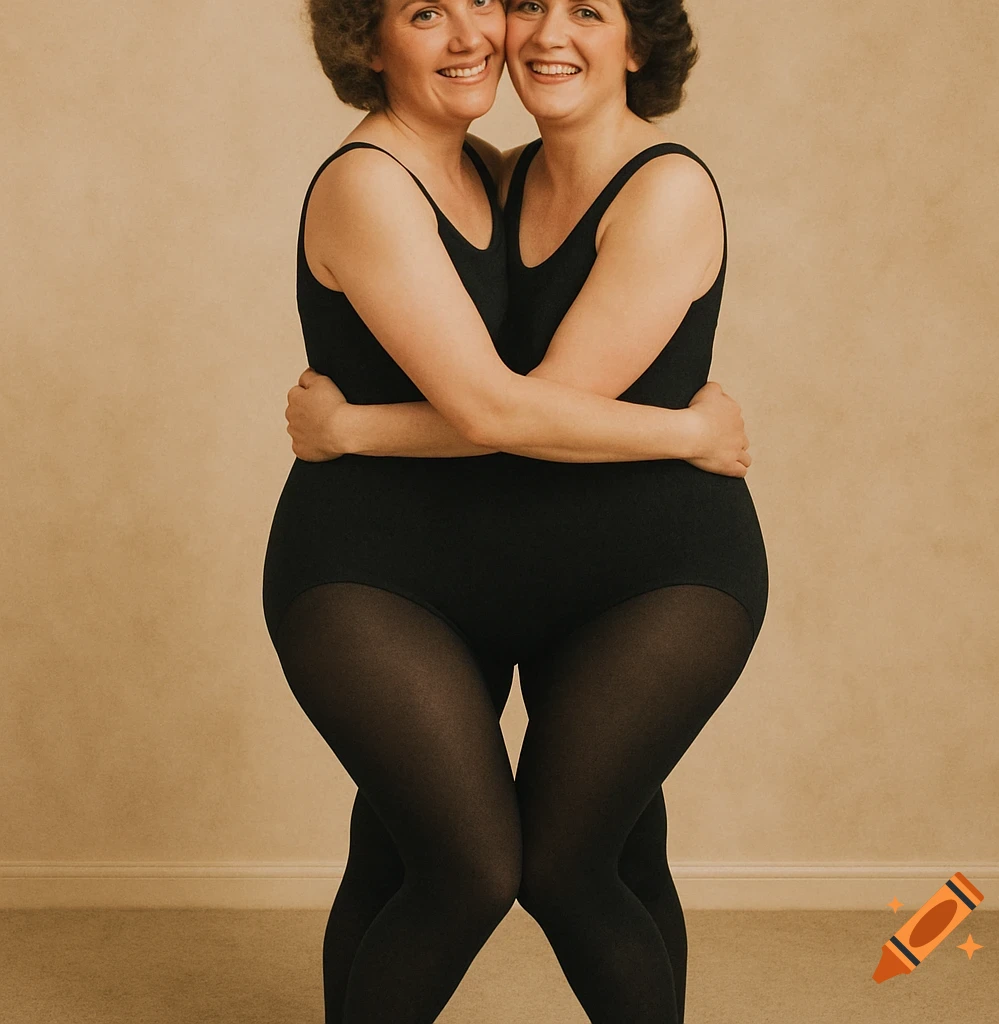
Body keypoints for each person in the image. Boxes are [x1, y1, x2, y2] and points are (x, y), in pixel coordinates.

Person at [268, 0, 760, 1020]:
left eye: (586, 9)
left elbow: (515, 405)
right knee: (452, 863)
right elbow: (498, 406)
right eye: (528, 1)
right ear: (369, 42)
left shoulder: (620, 185)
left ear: (638, 42)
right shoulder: (432, 176)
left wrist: (353, 425)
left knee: (589, 858)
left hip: (647, 571)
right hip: (395, 563)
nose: (508, 33)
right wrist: (686, 431)